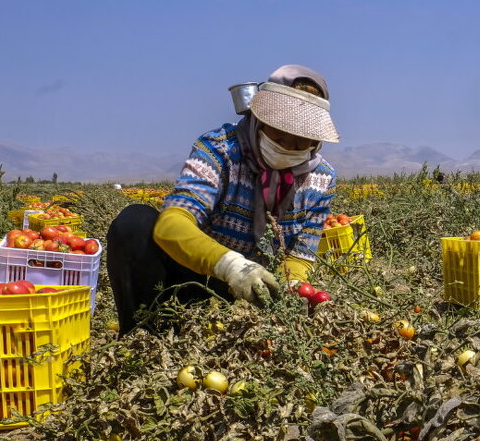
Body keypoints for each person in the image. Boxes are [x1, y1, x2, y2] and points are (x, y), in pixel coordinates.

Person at [106, 65, 339, 334]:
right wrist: (231, 266)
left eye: (301, 143)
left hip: (251, 292)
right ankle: (143, 335)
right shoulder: (219, 149)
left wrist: (292, 284)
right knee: (135, 223)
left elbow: (302, 254)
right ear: (258, 120)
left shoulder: (321, 178)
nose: (287, 146)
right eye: (278, 135)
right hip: (193, 274)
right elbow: (173, 223)